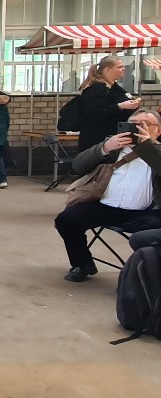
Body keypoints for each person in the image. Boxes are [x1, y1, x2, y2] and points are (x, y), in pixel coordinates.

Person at [53, 109, 161, 282]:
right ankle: (82, 263)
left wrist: (147, 146)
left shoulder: (156, 152)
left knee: (151, 235)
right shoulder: (114, 147)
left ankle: (140, 277)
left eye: (145, 125)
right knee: (66, 219)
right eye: (133, 125)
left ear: (158, 130)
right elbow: (77, 166)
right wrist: (104, 148)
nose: (138, 129)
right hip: (105, 205)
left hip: (145, 212)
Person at [76, 55, 141, 152]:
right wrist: (120, 106)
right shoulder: (96, 88)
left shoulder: (114, 86)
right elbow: (93, 113)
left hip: (116, 138)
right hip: (98, 141)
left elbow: (125, 97)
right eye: (119, 67)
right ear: (107, 69)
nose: (123, 69)